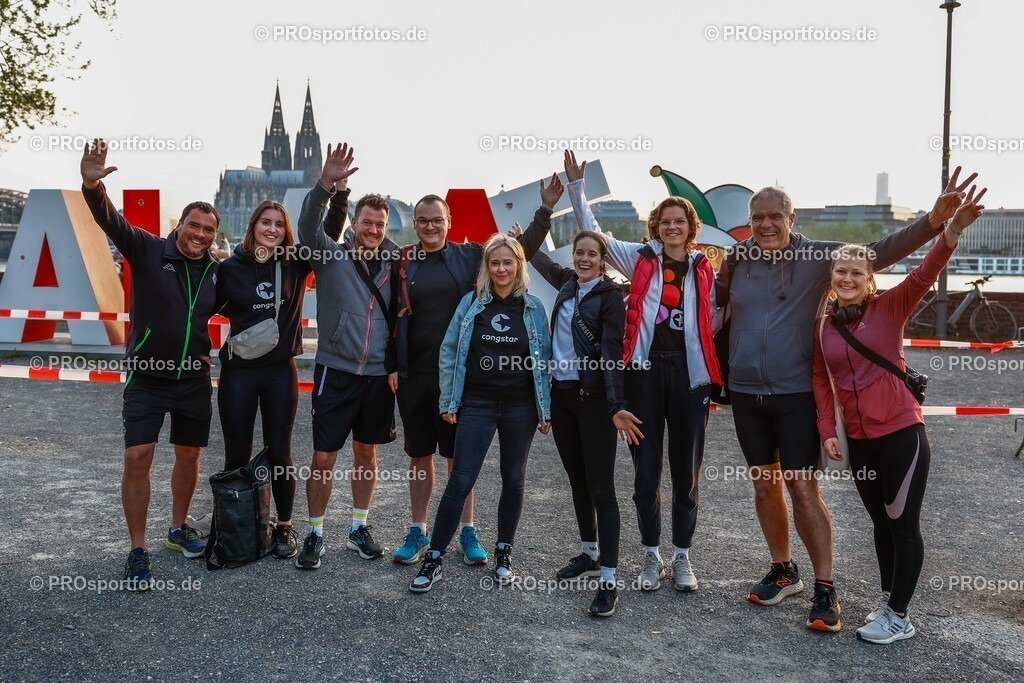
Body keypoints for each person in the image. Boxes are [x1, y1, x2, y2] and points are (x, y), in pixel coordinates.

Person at [717, 166, 980, 632]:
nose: (767, 225)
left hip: (795, 393)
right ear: (750, 220)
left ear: (792, 217)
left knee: (802, 487)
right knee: (763, 485)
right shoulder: (736, 259)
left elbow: (879, 253)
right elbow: (708, 308)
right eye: (758, 217)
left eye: (776, 215)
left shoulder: (821, 256)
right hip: (746, 392)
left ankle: (825, 587)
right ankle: (783, 570)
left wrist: (935, 223)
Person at [814, 187, 986, 643]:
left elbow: (926, 272)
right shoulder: (824, 325)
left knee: (901, 522)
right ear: (832, 278)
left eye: (856, 272)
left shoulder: (889, 307)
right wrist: (828, 429)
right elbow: (818, 378)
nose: (847, 278)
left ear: (870, 280)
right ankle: (888, 601)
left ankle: (900, 616)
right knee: (878, 523)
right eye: (840, 271)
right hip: (860, 438)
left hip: (901, 431)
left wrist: (949, 231)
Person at [562, 151, 721, 595]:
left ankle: (682, 557)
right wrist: (576, 188)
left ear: (691, 229)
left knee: (686, 475)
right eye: (665, 221)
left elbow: (715, 320)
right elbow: (594, 233)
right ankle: (651, 555)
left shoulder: (705, 269)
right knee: (645, 473)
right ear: (656, 228)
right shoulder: (639, 259)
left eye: (679, 222)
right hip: (644, 375)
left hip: (690, 379)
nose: (672, 227)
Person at [391, 180, 561, 566]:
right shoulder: (403, 260)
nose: (430, 226)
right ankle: (417, 531)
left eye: (438, 220)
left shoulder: (470, 256)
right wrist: (392, 366)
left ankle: (467, 531)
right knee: (420, 457)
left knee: (457, 462)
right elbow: (390, 315)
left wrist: (545, 210)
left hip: (462, 379)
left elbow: (518, 251)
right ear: (414, 223)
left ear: (449, 221)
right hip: (417, 376)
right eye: (423, 220)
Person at [80, 139, 220, 590]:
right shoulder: (146, 248)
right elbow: (110, 220)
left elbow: (257, 299)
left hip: (195, 379)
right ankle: (138, 550)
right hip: (147, 378)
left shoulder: (217, 271)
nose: (199, 235)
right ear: (179, 225)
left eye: (207, 231)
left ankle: (178, 530)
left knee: (189, 455)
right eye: (193, 226)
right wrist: (91, 183)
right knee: (138, 457)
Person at [215, 157, 351, 559]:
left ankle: (285, 527)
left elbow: (326, 230)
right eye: (265, 222)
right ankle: (239, 525)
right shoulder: (232, 267)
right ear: (253, 225)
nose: (272, 229)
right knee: (236, 452)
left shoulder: (294, 263)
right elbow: (211, 306)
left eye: (279, 224)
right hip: (238, 373)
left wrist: (336, 192)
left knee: (280, 452)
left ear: (285, 231)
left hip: (279, 373)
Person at [409, 234, 552, 592]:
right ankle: (435, 557)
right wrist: (449, 401)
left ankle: (504, 551)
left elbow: (545, 362)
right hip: (477, 404)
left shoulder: (533, 308)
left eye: (508, 262)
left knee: (513, 478)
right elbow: (449, 351)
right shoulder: (471, 304)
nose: (501, 269)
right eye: (494, 262)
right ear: (486, 267)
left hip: (520, 406)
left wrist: (544, 409)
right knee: (460, 479)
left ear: (519, 265)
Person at [519, 222, 643, 617]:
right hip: (563, 396)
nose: (584, 259)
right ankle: (589, 553)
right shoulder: (568, 283)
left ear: (604, 261)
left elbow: (611, 353)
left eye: (592, 254)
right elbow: (532, 257)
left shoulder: (610, 298)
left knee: (602, 488)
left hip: (593, 401)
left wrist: (615, 404)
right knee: (577, 480)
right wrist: (531, 231)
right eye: (579, 253)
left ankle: (609, 578)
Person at [294, 143, 399, 570]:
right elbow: (305, 227)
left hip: (376, 376)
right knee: (323, 457)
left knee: (366, 454)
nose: (372, 229)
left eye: (379, 224)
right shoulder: (330, 255)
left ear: (386, 229)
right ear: (353, 224)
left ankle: (359, 527)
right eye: (366, 222)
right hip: (335, 370)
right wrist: (326, 185)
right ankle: (315, 532)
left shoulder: (398, 264)